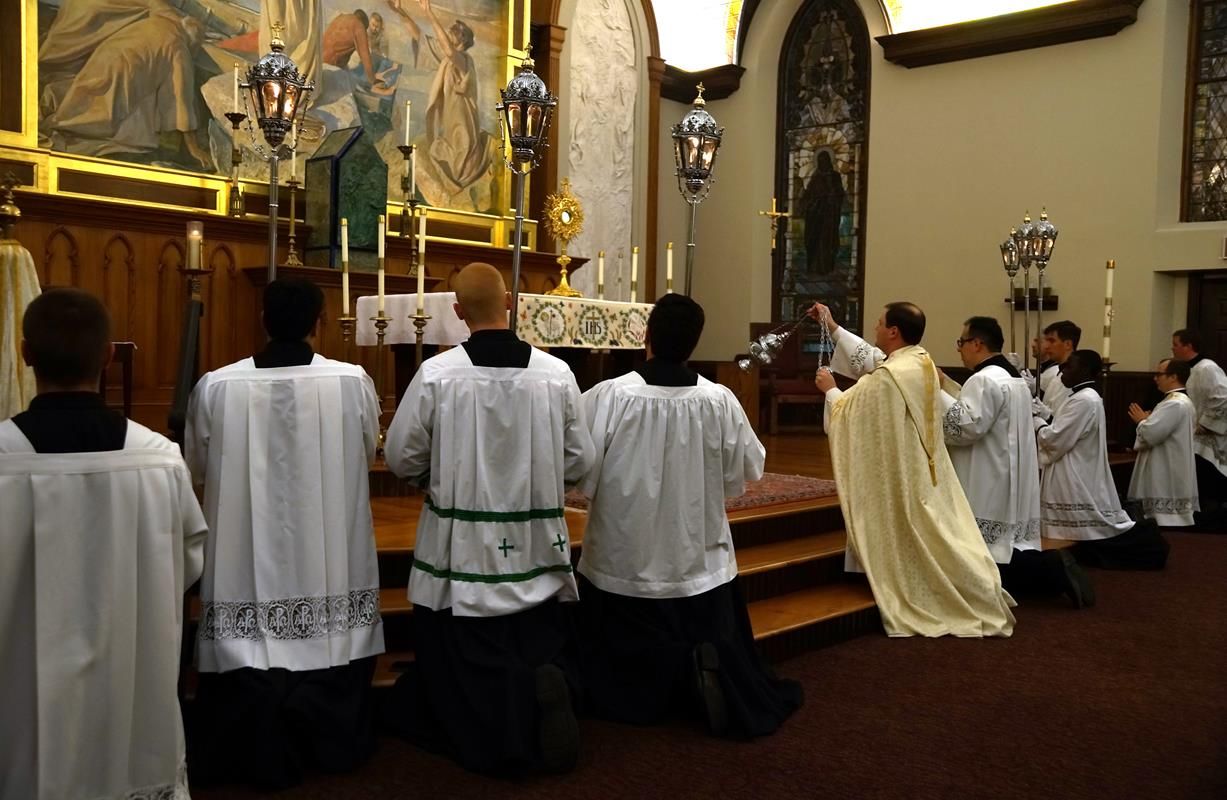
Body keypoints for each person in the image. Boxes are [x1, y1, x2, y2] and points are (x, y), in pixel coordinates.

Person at [383, 262, 595, 775]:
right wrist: (544, 479)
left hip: (461, 546)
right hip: (535, 539)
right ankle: (544, 685)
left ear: (457, 313)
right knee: (535, 631)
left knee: (462, 646)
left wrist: (436, 479)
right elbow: (582, 459)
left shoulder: (438, 373)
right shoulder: (555, 373)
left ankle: (486, 723)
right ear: (510, 304)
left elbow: (400, 455)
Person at [0, 289, 206, 800]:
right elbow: (186, 563)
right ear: (109, 355)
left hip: (18, 692)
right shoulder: (158, 460)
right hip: (130, 670)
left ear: (25, 353)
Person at [184, 278, 384, 790]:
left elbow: (198, 466)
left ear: (263, 320)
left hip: (244, 562)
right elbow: (366, 454)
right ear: (320, 323)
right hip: (328, 553)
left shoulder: (217, 386)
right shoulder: (351, 381)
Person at [576, 293, 802, 738]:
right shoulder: (718, 400)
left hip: (624, 560)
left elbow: (576, 464)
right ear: (694, 342)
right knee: (704, 602)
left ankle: (630, 688)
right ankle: (704, 667)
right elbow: (751, 465)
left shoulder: (608, 395)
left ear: (647, 336)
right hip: (697, 559)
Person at [808, 301, 1015, 637]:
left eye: (879, 323)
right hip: (922, 464)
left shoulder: (892, 376)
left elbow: (853, 412)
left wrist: (831, 390)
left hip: (901, 469)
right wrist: (832, 326)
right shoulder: (918, 360)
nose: (875, 328)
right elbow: (875, 363)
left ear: (893, 331)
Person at [941, 316, 1094, 607]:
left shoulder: (984, 379)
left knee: (992, 553)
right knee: (1007, 547)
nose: (959, 349)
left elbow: (966, 425)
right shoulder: (1010, 377)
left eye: (961, 342)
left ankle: (1053, 569)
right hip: (1008, 471)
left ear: (977, 343)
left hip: (989, 473)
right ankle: (1052, 570)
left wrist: (934, 393)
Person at [1035, 350, 1169, 569]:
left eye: (1069, 365)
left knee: (1082, 524)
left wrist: (1036, 420)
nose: (1062, 369)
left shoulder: (1084, 400)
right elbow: (1063, 425)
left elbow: (1055, 439)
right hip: (1075, 463)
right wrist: (1045, 414)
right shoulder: (1083, 397)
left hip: (1072, 469)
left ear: (1085, 370)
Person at [43, 9, 212, 167]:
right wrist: (193, 148)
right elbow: (181, 100)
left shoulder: (158, 22)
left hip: (105, 57)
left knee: (85, 100)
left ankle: (63, 118)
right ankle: (63, 126)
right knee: (102, 120)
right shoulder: (179, 48)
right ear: (193, 40)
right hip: (124, 72)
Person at [416, 0, 491, 193]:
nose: (449, 34)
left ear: (462, 39)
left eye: (454, 32)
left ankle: (459, 184)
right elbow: (422, 39)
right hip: (451, 119)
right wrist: (401, 14)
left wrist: (429, 13)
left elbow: (448, 49)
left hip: (463, 122)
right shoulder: (448, 62)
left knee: (462, 152)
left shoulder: (464, 60)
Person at [1127, 359, 1199, 527]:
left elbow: (1152, 434)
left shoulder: (1174, 403)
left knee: (1161, 519)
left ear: (1173, 376)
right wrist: (1149, 420)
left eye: (1159, 374)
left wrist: (1141, 421)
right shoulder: (1178, 401)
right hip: (1172, 458)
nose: (1155, 378)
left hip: (1166, 463)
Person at [1171, 328, 1227, 516]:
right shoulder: (1190, 369)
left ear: (1189, 346)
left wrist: (1204, 424)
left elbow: (1223, 397)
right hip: (1192, 432)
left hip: (1206, 434)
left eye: (1176, 344)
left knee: (1206, 471)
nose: (1173, 349)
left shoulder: (1207, 367)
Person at [1036, 320, 1080, 417]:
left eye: (1052, 341)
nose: (1046, 346)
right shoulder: (1060, 372)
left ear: (1068, 344)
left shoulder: (1073, 378)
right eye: (1046, 341)